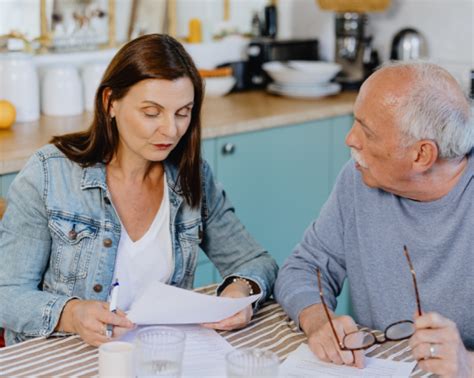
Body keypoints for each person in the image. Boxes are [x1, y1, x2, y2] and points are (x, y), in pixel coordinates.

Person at [0, 34, 278, 347]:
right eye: (151, 112)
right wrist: (72, 314)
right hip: (62, 358)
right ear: (110, 103)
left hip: (157, 356)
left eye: (183, 112)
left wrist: (240, 290)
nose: (171, 130)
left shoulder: (191, 176)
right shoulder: (50, 174)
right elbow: (7, 294)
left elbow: (256, 261)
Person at [275, 61, 474, 377]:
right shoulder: (358, 178)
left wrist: (468, 363)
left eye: (366, 131)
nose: (350, 140)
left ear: (422, 155)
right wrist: (317, 319)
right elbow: (304, 267)